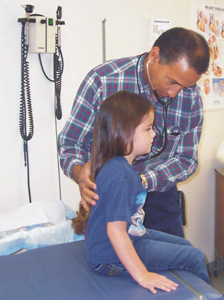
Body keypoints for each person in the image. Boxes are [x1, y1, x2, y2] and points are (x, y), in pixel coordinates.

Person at [58, 27, 210, 237]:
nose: (175, 93)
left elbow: (186, 160)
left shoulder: (190, 97)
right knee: (110, 263)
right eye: (172, 82)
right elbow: (70, 144)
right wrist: (80, 174)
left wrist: (141, 181)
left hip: (160, 199)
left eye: (185, 86)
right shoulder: (103, 80)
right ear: (155, 56)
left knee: (173, 265)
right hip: (108, 197)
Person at [72, 91, 210, 294]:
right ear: (125, 133)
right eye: (147, 129)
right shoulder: (121, 175)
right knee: (195, 257)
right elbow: (115, 231)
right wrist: (142, 275)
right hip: (109, 257)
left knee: (185, 244)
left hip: (129, 237)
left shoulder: (116, 165)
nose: (154, 134)